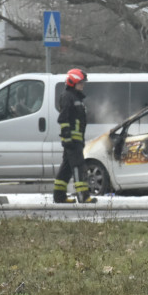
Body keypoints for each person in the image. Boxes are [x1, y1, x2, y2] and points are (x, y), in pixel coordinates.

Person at [54, 69, 97, 204]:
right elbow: (63, 119)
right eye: (80, 83)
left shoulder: (76, 97)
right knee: (79, 166)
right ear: (72, 82)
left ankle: (59, 196)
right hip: (72, 140)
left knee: (66, 168)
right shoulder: (68, 97)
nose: (82, 85)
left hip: (76, 140)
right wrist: (67, 139)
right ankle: (83, 196)